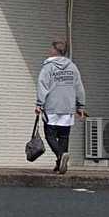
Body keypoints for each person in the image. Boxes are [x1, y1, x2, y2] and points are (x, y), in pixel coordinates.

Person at [36, 39, 87, 173]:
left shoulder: (48, 67)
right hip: (68, 107)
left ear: (55, 50)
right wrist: (80, 106)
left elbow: (42, 85)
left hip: (52, 106)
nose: (49, 50)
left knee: (50, 135)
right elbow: (79, 87)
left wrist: (39, 104)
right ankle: (60, 164)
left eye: (51, 48)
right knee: (64, 136)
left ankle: (61, 155)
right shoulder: (72, 67)